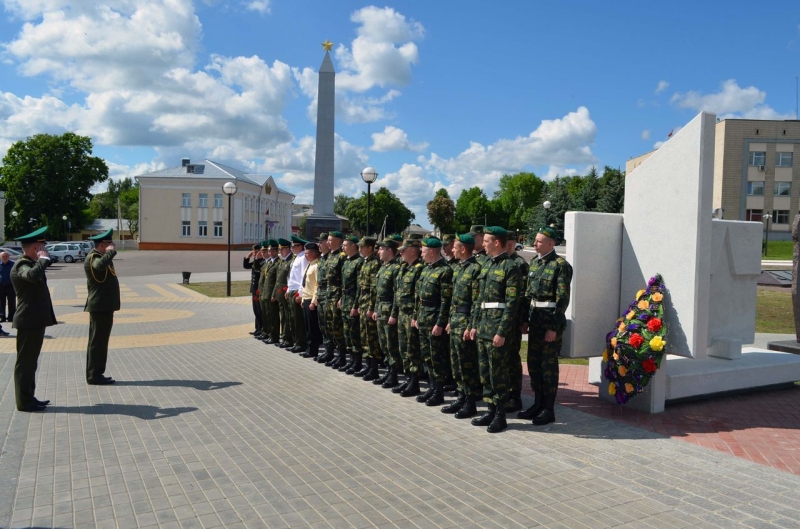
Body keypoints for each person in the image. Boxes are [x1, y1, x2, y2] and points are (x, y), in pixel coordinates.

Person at [469, 226, 521, 433]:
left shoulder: (510, 267)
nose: (483, 244)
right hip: (483, 326)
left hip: (497, 328)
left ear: (496, 243)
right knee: (485, 372)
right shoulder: (487, 266)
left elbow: (512, 303)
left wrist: (502, 332)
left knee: (498, 372)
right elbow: (479, 300)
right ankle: (490, 409)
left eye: (486, 240)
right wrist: (474, 324)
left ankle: (500, 414)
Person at [520, 227, 573, 425]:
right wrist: (525, 320)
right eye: (535, 240)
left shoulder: (560, 265)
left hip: (549, 323)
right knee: (534, 365)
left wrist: (554, 327)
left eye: (539, 241)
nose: (535, 244)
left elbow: (562, 300)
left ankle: (548, 409)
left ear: (551, 243)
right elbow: (528, 295)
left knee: (548, 367)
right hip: (534, 321)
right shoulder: (534, 262)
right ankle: (537, 403)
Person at [11, 227, 57, 412]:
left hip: (34, 320)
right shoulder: (22, 265)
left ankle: (30, 397)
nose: (45, 250)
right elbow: (31, 276)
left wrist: (44, 260)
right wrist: (43, 260)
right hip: (28, 320)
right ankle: (24, 402)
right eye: (42, 247)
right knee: (25, 363)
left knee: (31, 362)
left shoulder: (31, 263)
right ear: (34, 248)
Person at [442, 233, 482, 419]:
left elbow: (476, 302)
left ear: (464, 249)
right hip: (456, 320)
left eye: (456, 247)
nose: (452, 250)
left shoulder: (475, 269)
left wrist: (470, 325)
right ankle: (461, 395)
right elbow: (453, 300)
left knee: (467, 364)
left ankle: (470, 401)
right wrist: (450, 320)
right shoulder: (458, 268)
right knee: (456, 362)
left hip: (465, 320)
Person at [412, 237, 453, 406]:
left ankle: (438, 391)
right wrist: (415, 316)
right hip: (423, 318)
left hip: (434, 320)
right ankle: (431, 386)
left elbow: (446, 301)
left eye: (423, 250)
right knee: (427, 356)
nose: (421, 253)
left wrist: (440, 323)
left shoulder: (445, 271)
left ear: (432, 251)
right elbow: (418, 297)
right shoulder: (426, 269)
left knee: (437, 357)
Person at [84, 228, 121, 385]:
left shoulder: (100, 256)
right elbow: (99, 266)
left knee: (100, 341)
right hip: (99, 306)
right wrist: (110, 253)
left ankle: (97, 373)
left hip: (104, 306)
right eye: (109, 243)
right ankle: (94, 375)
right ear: (102, 245)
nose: (112, 245)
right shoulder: (93, 257)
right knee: (97, 342)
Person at [394, 239, 424, 397]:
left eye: (403, 250)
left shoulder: (419, 269)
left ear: (412, 251)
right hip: (402, 313)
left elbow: (418, 296)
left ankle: (414, 382)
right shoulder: (404, 268)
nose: (400, 253)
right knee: (403, 348)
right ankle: (408, 379)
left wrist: (415, 316)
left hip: (411, 314)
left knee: (412, 350)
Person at [371, 238, 402, 388]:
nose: (378, 252)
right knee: (384, 344)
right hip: (381, 308)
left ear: (389, 250)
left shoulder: (396, 268)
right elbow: (378, 292)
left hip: (389, 309)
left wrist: (394, 314)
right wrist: (377, 308)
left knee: (391, 344)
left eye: (381, 249)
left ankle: (393, 375)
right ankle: (388, 372)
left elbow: (397, 294)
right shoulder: (383, 267)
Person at [505, 237, 529, 413]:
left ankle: (515, 396)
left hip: (514, 319)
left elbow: (523, 296)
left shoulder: (519, 264)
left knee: (512, 358)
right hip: (502, 319)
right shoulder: (501, 263)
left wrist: (522, 320)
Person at [354, 237, 381, 380]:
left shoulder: (375, 263)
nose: (359, 249)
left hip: (369, 303)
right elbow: (361, 287)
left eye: (362, 246)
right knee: (364, 336)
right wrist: (357, 305)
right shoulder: (365, 262)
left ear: (369, 248)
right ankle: (367, 365)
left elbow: (373, 289)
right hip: (363, 302)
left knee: (371, 338)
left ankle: (374, 368)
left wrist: (371, 307)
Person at [338, 235, 363, 373]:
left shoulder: (359, 262)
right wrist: (341, 298)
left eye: (345, 245)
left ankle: (357, 362)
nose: (343, 248)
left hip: (353, 301)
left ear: (354, 246)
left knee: (354, 333)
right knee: (347, 332)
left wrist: (355, 305)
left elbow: (359, 286)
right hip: (345, 300)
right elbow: (344, 284)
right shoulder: (347, 261)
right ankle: (351, 360)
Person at [321, 231, 346, 366]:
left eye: (330, 240)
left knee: (337, 327)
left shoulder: (341, 257)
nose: (327, 242)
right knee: (328, 325)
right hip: (328, 294)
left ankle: (341, 356)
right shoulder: (329, 256)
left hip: (336, 295)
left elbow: (344, 280)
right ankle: (330, 352)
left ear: (337, 241)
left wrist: (341, 297)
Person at [301, 242, 323, 358]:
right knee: (307, 326)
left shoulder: (316, 266)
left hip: (311, 300)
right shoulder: (309, 264)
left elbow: (317, 285)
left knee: (313, 327)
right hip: (306, 298)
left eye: (307, 253)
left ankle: (313, 349)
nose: (305, 255)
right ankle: (309, 348)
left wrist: (314, 301)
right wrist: (303, 299)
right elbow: (305, 284)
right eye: (305, 253)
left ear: (314, 253)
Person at [287, 235, 308, 353]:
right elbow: (291, 277)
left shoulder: (303, 258)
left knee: (298, 320)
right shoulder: (296, 258)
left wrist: (300, 294)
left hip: (297, 292)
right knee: (293, 318)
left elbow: (303, 277)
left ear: (300, 246)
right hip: (292, 290)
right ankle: (296, 342)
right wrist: (288, 290)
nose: (292, 248)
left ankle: (301, 343)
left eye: (294, 246)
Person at [272, 238, 294, 348]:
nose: (280, 251)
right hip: (280, 294)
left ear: (288, 249)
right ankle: (284, 337)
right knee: (283, 317)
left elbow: (290, 279)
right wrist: (274, 294)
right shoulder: (283, 261)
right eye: (280, 249)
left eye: (282, 249)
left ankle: (288, 339)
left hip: (286, 294)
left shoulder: (291, 261)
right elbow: (277, 280)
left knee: (287, 317)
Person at [243, 242, 265, 336]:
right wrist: (247, 257)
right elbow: (246, 266)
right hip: (254, 289)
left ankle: (261, 328)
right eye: (254, 252)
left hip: (258, 289)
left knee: (260, 310)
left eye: (256, 252)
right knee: (256, 310)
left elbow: (257, 269)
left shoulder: (262, 262)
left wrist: (256, 258)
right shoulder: (256, 261)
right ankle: (257, 328)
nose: (255, 254)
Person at [0, 251, 16, 327]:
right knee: (1, 302)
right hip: (1, 286)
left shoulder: (13, 264)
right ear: (0, 258)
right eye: (3, 256)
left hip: (11, 286)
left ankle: (11, 317)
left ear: (9, 257)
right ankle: (2, 316)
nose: (5, 258)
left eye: (6, 256)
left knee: (12, 302)